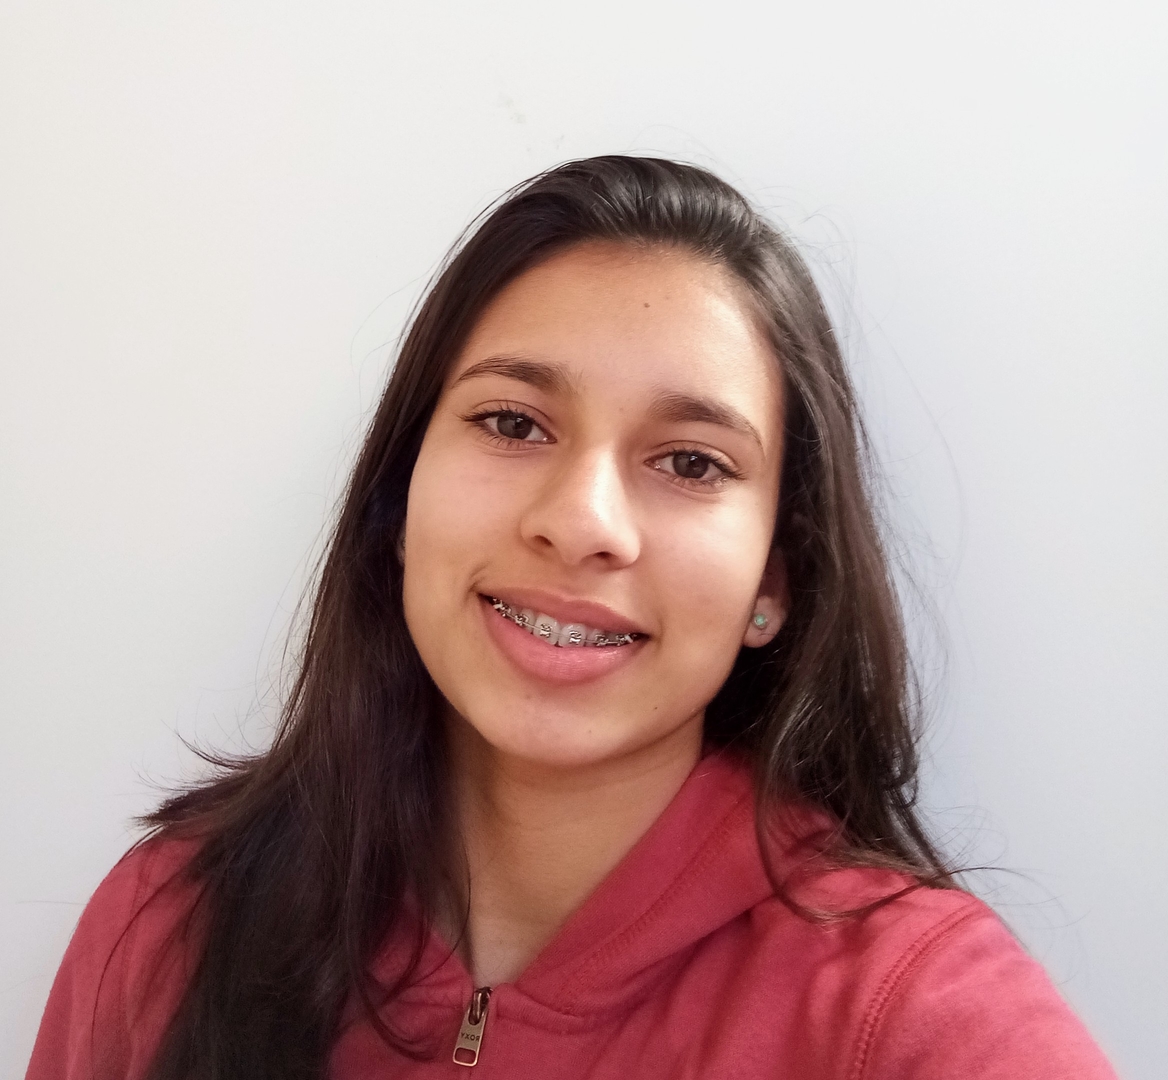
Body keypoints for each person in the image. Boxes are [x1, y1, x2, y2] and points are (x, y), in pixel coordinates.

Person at [27, 156, 1116, 1079]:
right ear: (400, 502)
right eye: (513, 423)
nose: (581, 522)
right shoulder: (169, 923)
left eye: (691, 463)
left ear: (775, 582)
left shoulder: (909, 1015)